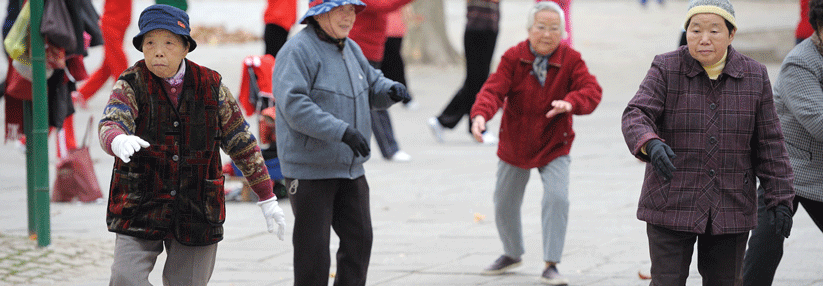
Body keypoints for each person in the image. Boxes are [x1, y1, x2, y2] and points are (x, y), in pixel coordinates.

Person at [97, 5, 287, 285]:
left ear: (186, 47)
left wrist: (266, 195)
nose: (158, 51)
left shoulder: (211, 85)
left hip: (197, 206)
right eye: (150, 43)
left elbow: (241, 142)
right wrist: (117, 139)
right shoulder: (131, 83)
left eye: (169, 43)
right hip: (140, 202)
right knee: (125, 278)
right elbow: (111, 121)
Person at [621, 0, 796, 285]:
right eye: (695, 30)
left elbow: (770, 142)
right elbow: (636, 113)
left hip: (730, 205)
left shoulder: (754, 75)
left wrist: (781, 199)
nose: (703, 39)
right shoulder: (666, 67)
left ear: (731, 34)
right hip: (671, 200)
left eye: (714, 31)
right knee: (666, 280)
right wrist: (649, 143)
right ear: (686, 32)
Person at [271, 0, 411, 284]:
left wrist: (390, 90)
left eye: (351, 10)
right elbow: (295, 106)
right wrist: (342, 131)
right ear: (320, 14)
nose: (349, 17)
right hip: (310, 170)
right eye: (341, 10)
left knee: (359, 243)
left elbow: (373, 83)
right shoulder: (297, 51)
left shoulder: (351, 47)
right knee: (314, 253)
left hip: (350, 169)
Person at [470, 2, 602, 285]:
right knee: (504, 203)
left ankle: (551, 263)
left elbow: (592, 91)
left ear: (563, 32)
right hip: (515, 142)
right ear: (529, 29)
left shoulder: (571, 59)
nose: (546, 34)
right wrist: (480, 116)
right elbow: (492, 90)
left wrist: (570, 102)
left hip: (554, 143)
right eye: (541, 27)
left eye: (554, 28)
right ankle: (512, 252)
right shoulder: (513, 57)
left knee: (557, 199)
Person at [738, 0, 823, 284]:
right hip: (789, 168)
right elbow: (820, 124)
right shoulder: (800, 63)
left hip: (819, 167)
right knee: (767, 243)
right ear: (818, 28)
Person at [348, 0, 415, 162]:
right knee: (375, 100)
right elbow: (383, 5)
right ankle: (390, 148)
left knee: (363, 102)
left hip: (372, 49)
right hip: (360, 49)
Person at [428, 0, 500, 144]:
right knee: (476, 81)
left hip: (489, 28)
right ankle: (471, 126)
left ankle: (445, 121)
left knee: (476, 81)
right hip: (477, 29)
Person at [73, 0, 131, 108]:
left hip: (120, 23)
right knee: (120, 64)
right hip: (111, 24)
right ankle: (123, 99)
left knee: (108, 67)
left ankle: (80, 94)